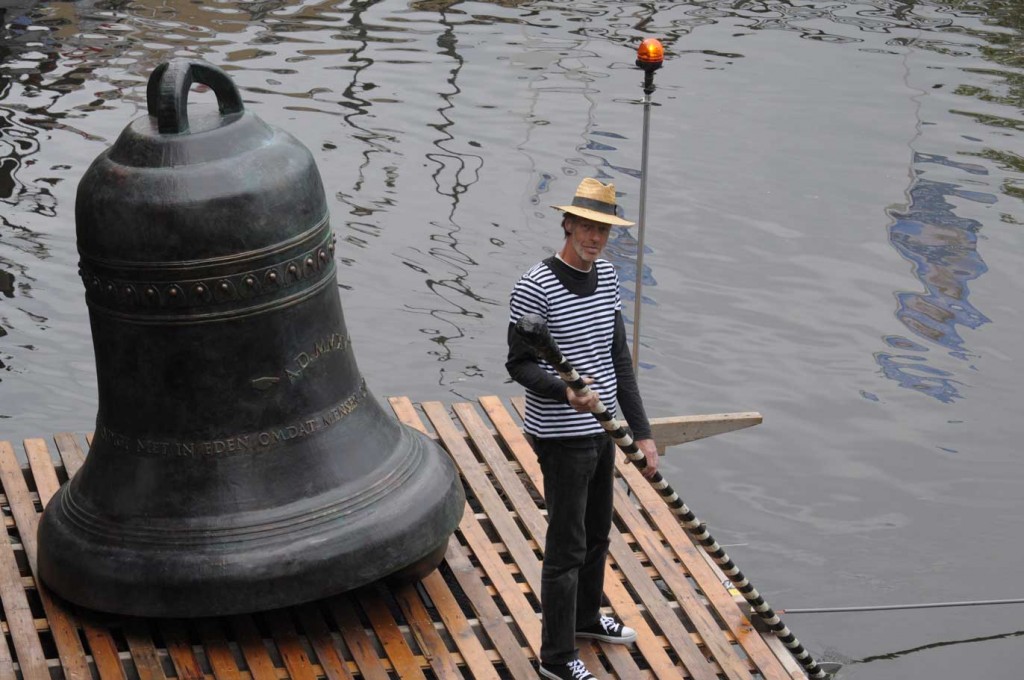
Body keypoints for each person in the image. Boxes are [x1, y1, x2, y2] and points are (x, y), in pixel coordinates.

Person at [506, 177, 659, 680]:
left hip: (606, 427)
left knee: (598, 534)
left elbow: (619, 358)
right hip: (560, 432)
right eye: (587, 226)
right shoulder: (535, 285)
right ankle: (555, 657)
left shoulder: (609, 276)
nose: (594, 237)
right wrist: (564, 392)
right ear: (567, 222)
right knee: (566, 544)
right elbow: (520, 365)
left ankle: (588, 619)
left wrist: (642, 430)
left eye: (603, 229)